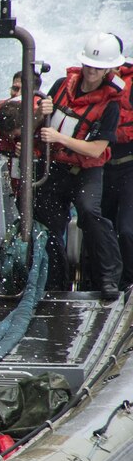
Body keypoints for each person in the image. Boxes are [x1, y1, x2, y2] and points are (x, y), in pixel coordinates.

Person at [36, 32, 125, 298]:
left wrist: (60, 138)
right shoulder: (62, 85)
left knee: (89, 212)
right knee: (48, 225)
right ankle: (53, 281)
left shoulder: (111, 104)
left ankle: (110, 277)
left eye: (98, 68)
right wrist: (42, 113)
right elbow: (41, 126)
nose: (91, 72)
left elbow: (97, 148)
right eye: (88, 65)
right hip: (55, 168)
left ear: (108, 69)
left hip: (86, 171)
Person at [103, 35, 133, 290]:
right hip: (99, 167)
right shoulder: (81, 86)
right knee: (99, 226)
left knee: (127, 230)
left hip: (129, 166)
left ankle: (129, 281)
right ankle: (100, 280)